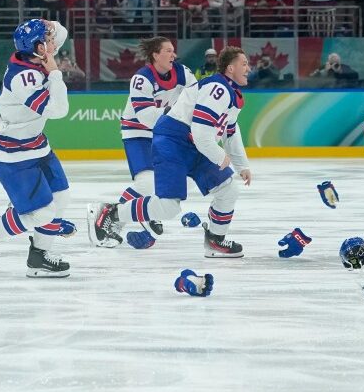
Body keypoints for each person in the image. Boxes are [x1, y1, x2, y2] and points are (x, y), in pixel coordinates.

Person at [88, 46, 251, 258]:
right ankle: (112, 213)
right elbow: (201, 132)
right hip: (173, 141)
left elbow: (230, 130)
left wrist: (242, 166)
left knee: (228, 189)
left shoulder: (231, 93)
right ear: (230, 68)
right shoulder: (217, 89)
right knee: (168, 207)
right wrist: (221, 157)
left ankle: (215, 241)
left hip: (192, 144)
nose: (248, 68)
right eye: (244, 64)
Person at [0, 19, 75, 277]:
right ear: (38, 47)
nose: (53, 42)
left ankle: (39, 258)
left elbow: (63, 31)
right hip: (13, 154)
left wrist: (48, 24)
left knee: (60, 199)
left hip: (35, 144)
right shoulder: (23, 78)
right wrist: (56, 71)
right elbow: (60, 110)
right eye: (47, 39)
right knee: (42, 213)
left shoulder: (37, 55)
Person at [89, 37, 197, 249]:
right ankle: (111, 216)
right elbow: (146, 117)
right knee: (147, 183)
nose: (173, 55)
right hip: (137, 131)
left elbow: (198, 98)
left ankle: (140, 210)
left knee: (185, 178)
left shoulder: (183, 72)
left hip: (167, 132)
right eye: (168, 50)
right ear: (155, 55)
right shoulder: (142, 78)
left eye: (173, 50)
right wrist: (177, 114)